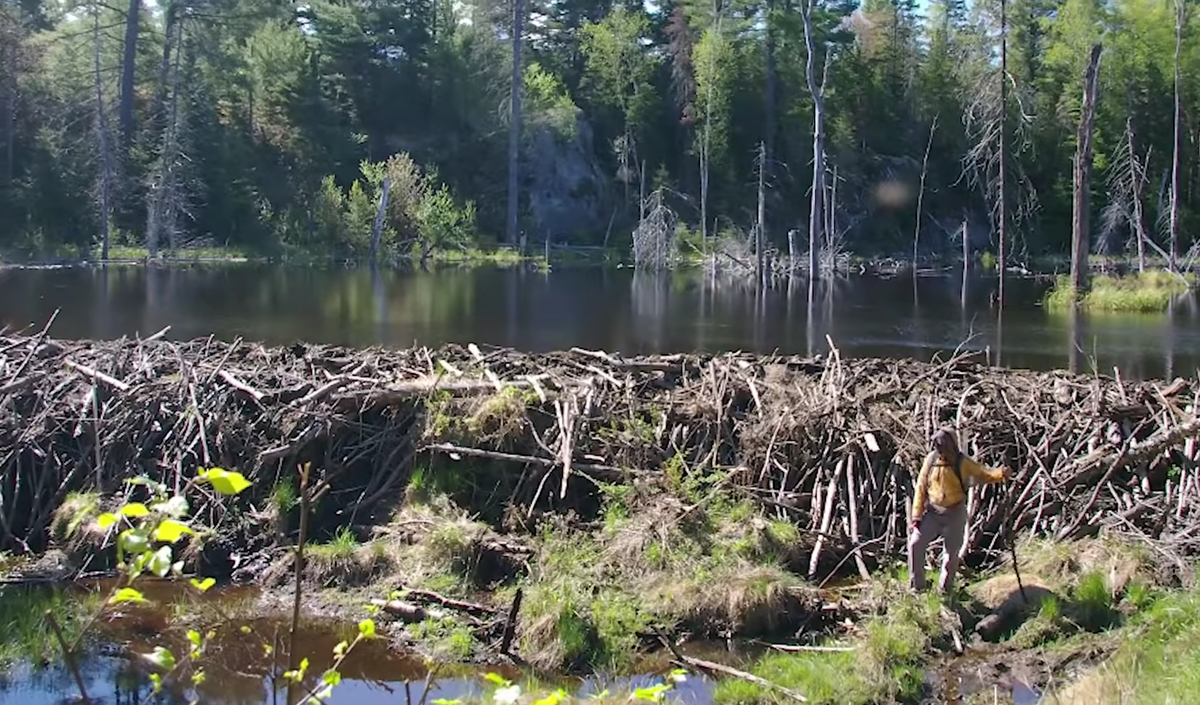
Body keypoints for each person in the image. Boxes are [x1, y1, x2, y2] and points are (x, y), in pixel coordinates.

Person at [907, 428, 1011, 596]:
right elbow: (921, 486)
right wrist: (916, 516)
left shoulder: (963, 463)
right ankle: (917, 587)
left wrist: (1000, 474)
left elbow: (983, 473)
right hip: (933, 512)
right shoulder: (931, 460)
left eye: (943, 445)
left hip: (955, 513)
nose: (940, 449)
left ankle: (944, 591)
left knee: (951, 555)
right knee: (915, 544)